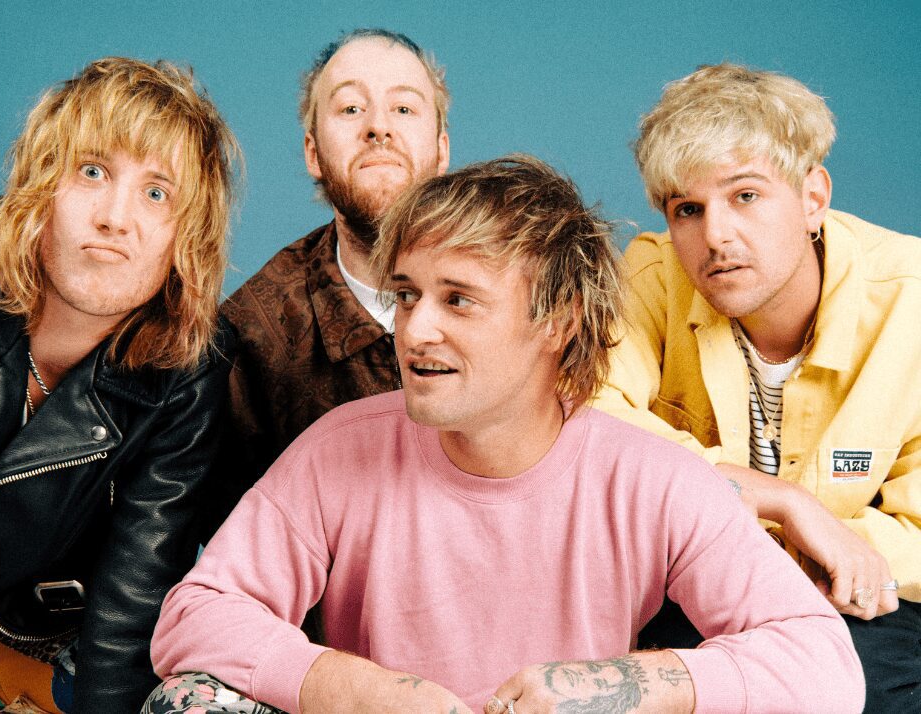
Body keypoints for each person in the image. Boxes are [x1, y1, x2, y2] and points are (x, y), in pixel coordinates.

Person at [144, 156, 864, 714]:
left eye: (458, 300)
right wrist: (354, 689)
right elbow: (196, 616)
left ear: (559, 321)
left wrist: (618, 686)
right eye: (407, 296)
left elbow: (823, 664)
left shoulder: (652, 479)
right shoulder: (339, 450)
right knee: (190, 700)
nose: (414, 331)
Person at [592, 63, 921, 711]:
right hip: (696, 593)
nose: (715, 236)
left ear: (813, 197)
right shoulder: (652, 277)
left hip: (858, 602)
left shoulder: (909, 298)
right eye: (688, 209)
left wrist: (802, 547)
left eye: (745, 196)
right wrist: (784, 503)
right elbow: (587, 418)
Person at [0, 57, 240, 713]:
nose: (115, 218)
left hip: (44, 639)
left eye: (157, 193)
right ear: (41, 186)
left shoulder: (189, 366)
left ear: (187, 236)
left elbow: (133, 595)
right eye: (92, 172)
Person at [208, 28, 450, 537]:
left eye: (404, 108)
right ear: (313, 153)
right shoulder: (249, 334)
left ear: (441, 149)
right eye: (351, 109)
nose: (379, 127)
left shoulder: (518, 288)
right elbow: (238, 555)